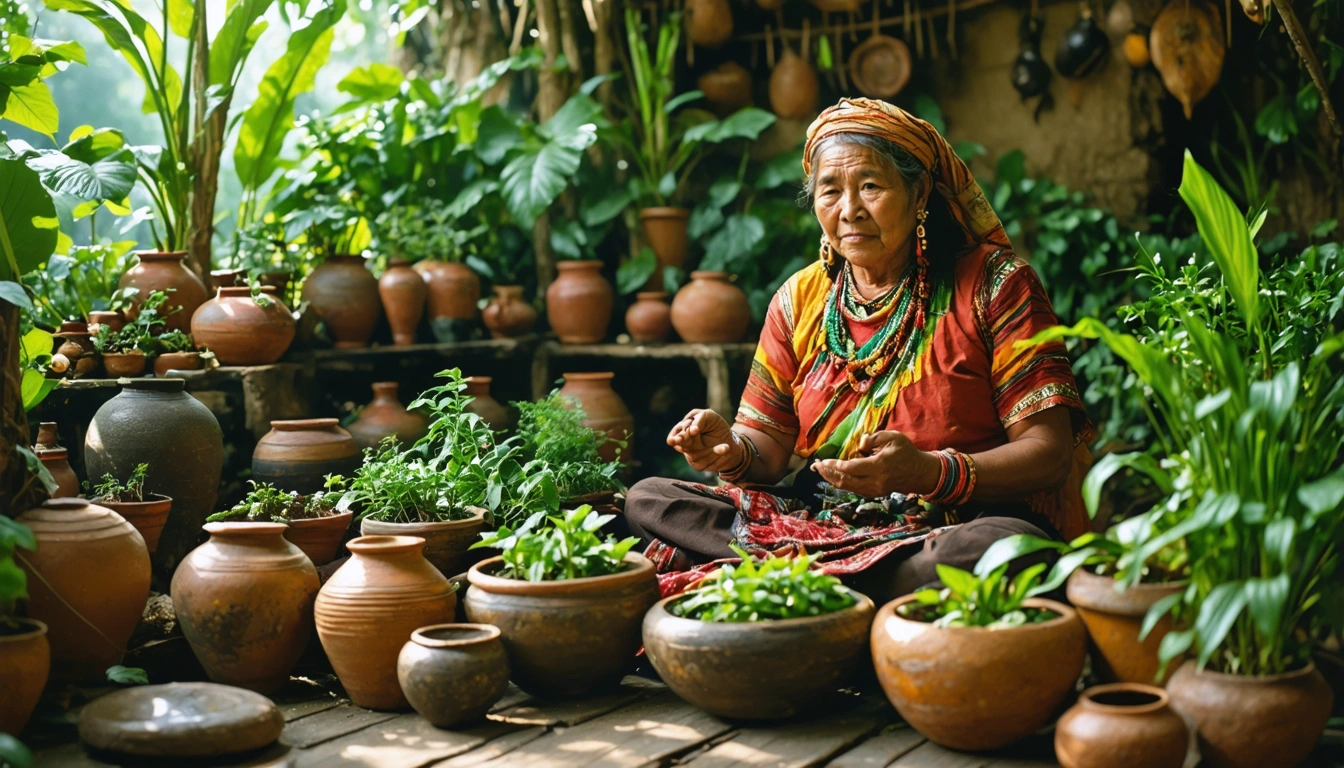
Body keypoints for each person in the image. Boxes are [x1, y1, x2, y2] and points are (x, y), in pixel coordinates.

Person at [624, 98, 1093, 601]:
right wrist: (730, 450)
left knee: (1004, 547)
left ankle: (795, 586)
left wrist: (926, 471)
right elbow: (765, 452)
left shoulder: (995, 285)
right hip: (817, 520)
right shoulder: (798, 299)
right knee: (650, 499)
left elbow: (1049, 455)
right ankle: (858, 587)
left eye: (871, 185)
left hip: (948, 525)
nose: (849, 210)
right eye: (830, 190)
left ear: (919, 197)